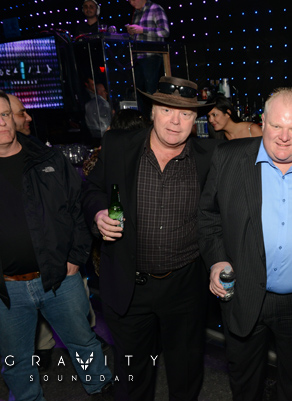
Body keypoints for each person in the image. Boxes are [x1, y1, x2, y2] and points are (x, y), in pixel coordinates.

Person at [83, 76, 218, 401]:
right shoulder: (118, 145)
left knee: (186, 373)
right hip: (129, 285)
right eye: (167, 110)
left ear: (195, 119)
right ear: (152, 111)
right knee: (133, 376)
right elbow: (91, 189)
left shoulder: (210, 156)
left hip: (184, 287)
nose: (175, 121)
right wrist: (99, 214)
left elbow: (255, 153)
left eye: (185, 113)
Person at [199, 87, 292, 400]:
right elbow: (208, 217)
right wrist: (217, 259)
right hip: (244, 294)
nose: (284, 137)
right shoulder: (228, 158)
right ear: (263, 122)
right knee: (244, 383)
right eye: (276, 125)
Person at [0, 90, 113, 400]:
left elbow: (78, 208)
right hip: (6, 291)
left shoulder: (47, 159)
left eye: (5, 115)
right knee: (16, 360)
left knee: (84, 342)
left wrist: (76, 256)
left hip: (60, 279)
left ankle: (101, 389)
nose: (3, 123)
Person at [126, 0, 169, 113]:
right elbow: (139, 36)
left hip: (152, 56)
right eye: (129, 1)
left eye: (133, 0)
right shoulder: (136, 13)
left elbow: (165, 32)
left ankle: (154, 117)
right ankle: (144, 118)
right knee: (139, 92)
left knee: (151, 91)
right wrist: (132, 33)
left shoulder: (155, 8)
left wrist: (143, 30)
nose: (132, 3)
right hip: (138, 57)